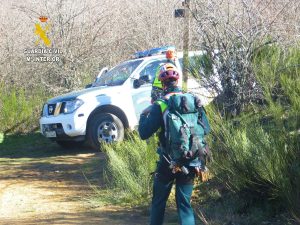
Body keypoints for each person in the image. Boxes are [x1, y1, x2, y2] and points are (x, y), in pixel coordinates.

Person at [138, 63, 210, 225]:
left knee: (158, 203)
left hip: (168, 162)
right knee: (184, 205)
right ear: (176, 81)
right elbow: (207, 128)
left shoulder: (161, 105)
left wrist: (143, 115)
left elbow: (143, 133)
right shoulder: (193, 100)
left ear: (162, 83)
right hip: (192, 159)